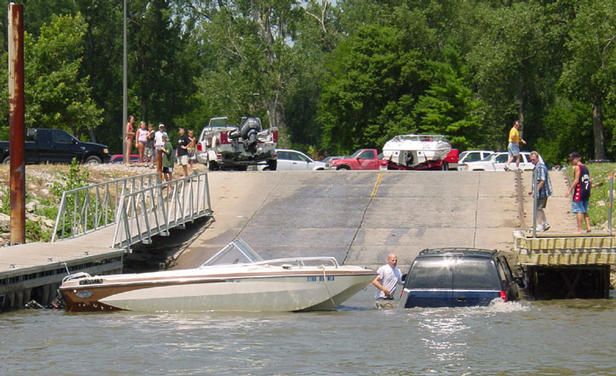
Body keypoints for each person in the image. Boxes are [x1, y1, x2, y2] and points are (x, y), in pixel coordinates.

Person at [565, 152, 592, 233]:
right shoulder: (585, 167)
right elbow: (589, 179)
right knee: (585, 209)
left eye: (572, 160)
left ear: (577, 159)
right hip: (586, 190)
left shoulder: (578, 167)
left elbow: (576, 180)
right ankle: (588, 227)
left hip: (579, 190)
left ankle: (579, 229)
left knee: (578, 210)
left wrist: (569, 190)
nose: (571, 162)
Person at [528, 151, 552, 231]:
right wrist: (532, 190)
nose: (532, 161)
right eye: (531, 160)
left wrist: (536, 191)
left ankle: (539, 225)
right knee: (540, 208)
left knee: (538, 208)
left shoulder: (540, 167)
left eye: (533, 160)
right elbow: (536, 181)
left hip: (542, 192)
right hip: (540, 191)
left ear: (538, 158)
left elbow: (542, 180)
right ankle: (545, 223)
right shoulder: (536, 167)